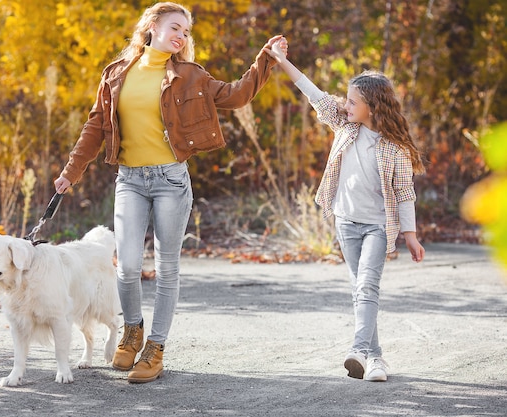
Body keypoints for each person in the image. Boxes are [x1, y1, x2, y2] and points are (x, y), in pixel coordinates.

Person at [54, 2, 283, 383]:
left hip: (171, 182)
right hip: (129, 180)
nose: (181, 36)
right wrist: (70, 173)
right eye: (175, 27)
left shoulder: (190, 76)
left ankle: (155, 347)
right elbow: (96, 126)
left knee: (166, 268)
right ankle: (132, 330)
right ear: (152, 26)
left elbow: (238, 95)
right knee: (126, 267)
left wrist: (265, 59)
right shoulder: (116, 74)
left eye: (186, 32)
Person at [266, 38, 425, 382]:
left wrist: (410, 235)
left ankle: (357, 349)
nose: (346, 104)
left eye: (353, 101)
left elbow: (404, 191)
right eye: (347, 100)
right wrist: (281, 61)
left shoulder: (394, 147)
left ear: (372, 105)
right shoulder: (345, 126)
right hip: (346, 223)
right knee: (361, 289)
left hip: (379, 227)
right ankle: (376, 359)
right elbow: (314, 93)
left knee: (366, 286)